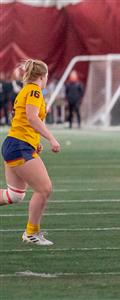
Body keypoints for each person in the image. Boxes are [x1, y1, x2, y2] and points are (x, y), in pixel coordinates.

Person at [0, 59, 61, 245]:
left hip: (15, 143)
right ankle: (31, 232)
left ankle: (32, 232)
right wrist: (51, 138)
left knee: (14, 195)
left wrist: (34, 142)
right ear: (43, 76)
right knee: (44, 189)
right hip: (19, 145)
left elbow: (19, 119)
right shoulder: (34, 90)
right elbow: (32, 118)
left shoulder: (25, 90)